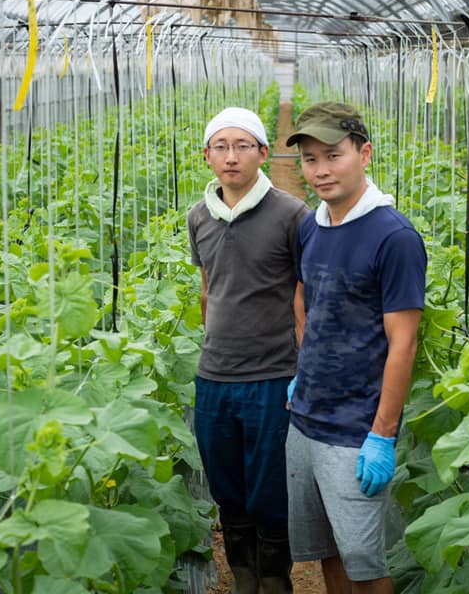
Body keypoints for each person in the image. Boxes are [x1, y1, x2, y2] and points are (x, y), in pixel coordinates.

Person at [284, 102, 427, 594]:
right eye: (309, 159)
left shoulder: (394, 236)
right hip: (304, 419)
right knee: (326, 551)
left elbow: (403, 342)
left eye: (333, 155)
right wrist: (306, 368)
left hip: (356, 430)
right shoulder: (312, 226)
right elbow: (305, 300)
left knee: (366, 563)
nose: (320, 170)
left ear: (364, 153)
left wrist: (382, 434)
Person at [187, 106, 308, 594]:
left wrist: (304, 367)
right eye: (221, 146)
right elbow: (208, 288)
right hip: (215, 377)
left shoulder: (292, 214)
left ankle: (277, 581)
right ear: (207, 155)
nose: (231, 156)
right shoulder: (200, 216)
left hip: (274, 376)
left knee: (270, 489)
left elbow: (304, 295)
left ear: (263, 152)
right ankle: (244, 580)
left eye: (242, 146)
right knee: (227, 488)